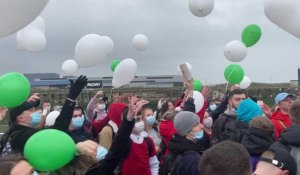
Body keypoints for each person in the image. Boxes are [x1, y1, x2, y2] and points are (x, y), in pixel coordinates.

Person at [0, 76, 87, 155]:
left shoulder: (10, 133)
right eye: (31, 110)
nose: (37, 112)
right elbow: (58, 131)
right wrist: (71, 98)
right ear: (21, 118)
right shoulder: (24, 135)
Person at [277, 99, 300, 175]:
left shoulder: (277, 147)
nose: (289, 101)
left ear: (290, 116)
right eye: (286, 100)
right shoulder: (274, 121)